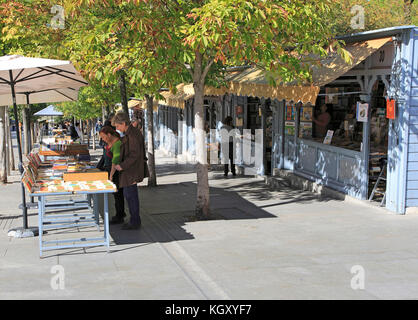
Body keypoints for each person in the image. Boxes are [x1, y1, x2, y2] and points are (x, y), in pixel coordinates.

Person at [112, 112, 148, 230]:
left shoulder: (132, 134)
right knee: (130, 195)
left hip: (132, 170)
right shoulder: (130, 133)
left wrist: (122, 166)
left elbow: (134, 154)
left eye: (117, 126)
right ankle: (134, 220)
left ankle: (135, 221)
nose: (117, 129)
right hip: (131, 169)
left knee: (131, 196)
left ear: (123, 123)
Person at [99, 126, 126, 225]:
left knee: (118, 194)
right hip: (108, 170)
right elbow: (104, 157)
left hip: (115, 173)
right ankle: (119, 214)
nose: (103, 139)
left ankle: (120, 215)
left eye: (103, 137)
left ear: (109, 134)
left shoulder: (117, 144)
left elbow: (115, 161)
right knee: (116, 195)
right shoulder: (109, 143)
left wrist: (111, 176)